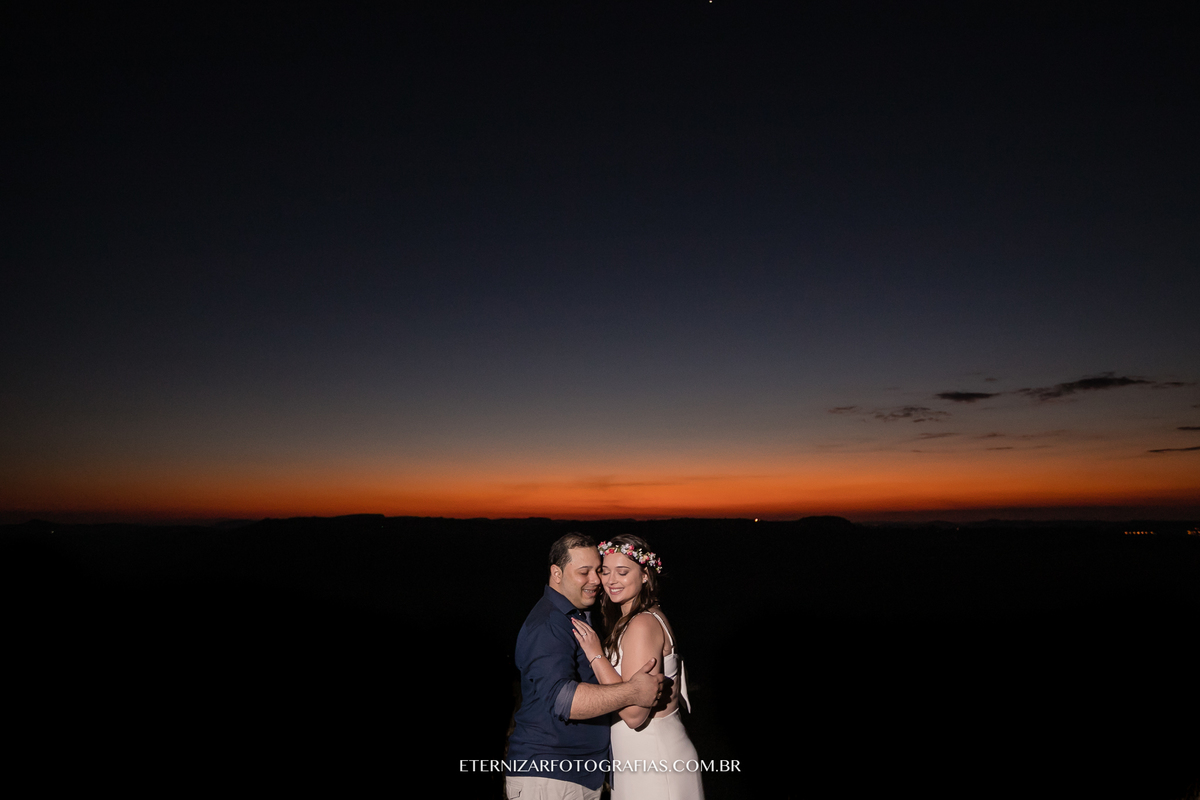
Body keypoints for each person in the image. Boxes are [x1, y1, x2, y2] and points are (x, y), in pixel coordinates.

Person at [506, 532, 665, 800]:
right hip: (549, 776)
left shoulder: (577, 615)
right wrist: (633, 691)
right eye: (584, 572)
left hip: (575, 775)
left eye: (597, 570)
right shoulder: (548, 625)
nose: (597, 580)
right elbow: (564, 700)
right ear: (556, 573)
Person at [571, 534, 705, 800]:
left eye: (622, 572)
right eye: (605, 571)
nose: (611, 580)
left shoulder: (642, 624)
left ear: (645, 575)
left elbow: (634, 714)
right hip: (641, 758)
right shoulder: (640, 618)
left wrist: (595, 655)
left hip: (653, 759)